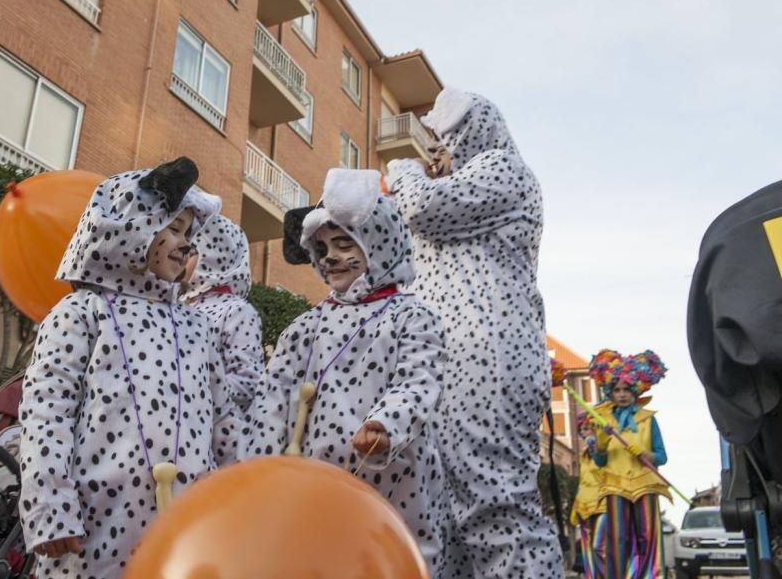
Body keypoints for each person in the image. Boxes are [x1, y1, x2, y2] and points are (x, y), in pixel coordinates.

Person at [18, 158, 238, 578]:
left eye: (190, 233)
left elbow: (224, 419)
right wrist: (50, 507)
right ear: (129, 225)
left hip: (188, 528)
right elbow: (46, 411)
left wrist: (239, 499)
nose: (186, 243)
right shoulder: (81, 311)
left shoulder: (198, 326)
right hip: (95, 525)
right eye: (173, 227)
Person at [385, 88, 562, 577]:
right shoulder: (471, 182)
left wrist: (403, 171)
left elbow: (423, 208)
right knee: (444, 511)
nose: (436, 157)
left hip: (489, 357)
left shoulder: (501, 168)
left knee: (494, 502)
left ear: (469, 135)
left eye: (442, 144)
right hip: (451, 361)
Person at [242, 168, 447, 575]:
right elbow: (272, 401)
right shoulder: (306, 326)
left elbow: (419, 379)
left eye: (344, 243)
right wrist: (256, 474)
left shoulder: (413, 316)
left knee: (392, 563)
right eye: (322, 248)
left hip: (395, 484)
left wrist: (385, 423)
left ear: (378, 243)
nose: (331, 256)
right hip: (317, 487)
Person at [585, 349, 669, 579]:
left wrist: (645, 454)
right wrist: (601, 443)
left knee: (648, 538)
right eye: (617, 390)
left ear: (634, 391)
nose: (621, 395)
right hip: (615, 487)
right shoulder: (603, 420)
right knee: (615, 541)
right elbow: (600, 462)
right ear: (610, 393)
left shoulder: (648, 419)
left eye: (626, 390)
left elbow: (662, 457)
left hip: (645, 485)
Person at [180, 214, 264, 411]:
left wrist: (187, 391)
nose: (181, 256)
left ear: (212, 256)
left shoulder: (237, 311)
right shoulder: (179, 306)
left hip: (211, 432)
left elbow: (248, 381)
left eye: (190, 250)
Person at [572, 412, 609, 579]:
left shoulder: (602, 451)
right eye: (582, 429)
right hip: (585, 507)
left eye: (588, 428)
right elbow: (583, 482)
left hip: (603, 505)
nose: (585, 432)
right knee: (588, 552)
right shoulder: (584, 455)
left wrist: (596, 446)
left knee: (599, 547)